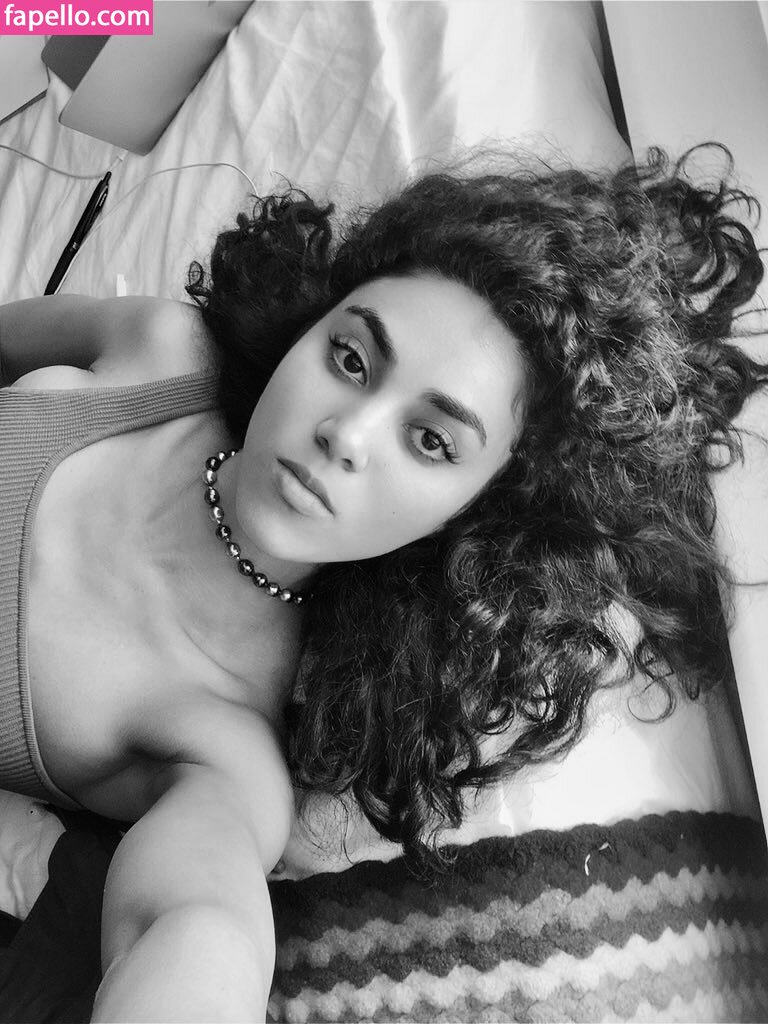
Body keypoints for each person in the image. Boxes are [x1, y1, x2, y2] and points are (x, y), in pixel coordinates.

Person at [0, 144, 765, 1021]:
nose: (348, 434)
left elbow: (193, 929)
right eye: (352, 358)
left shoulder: (221, 748)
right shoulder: (162, 351)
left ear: (470, 516)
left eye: (432, 441)